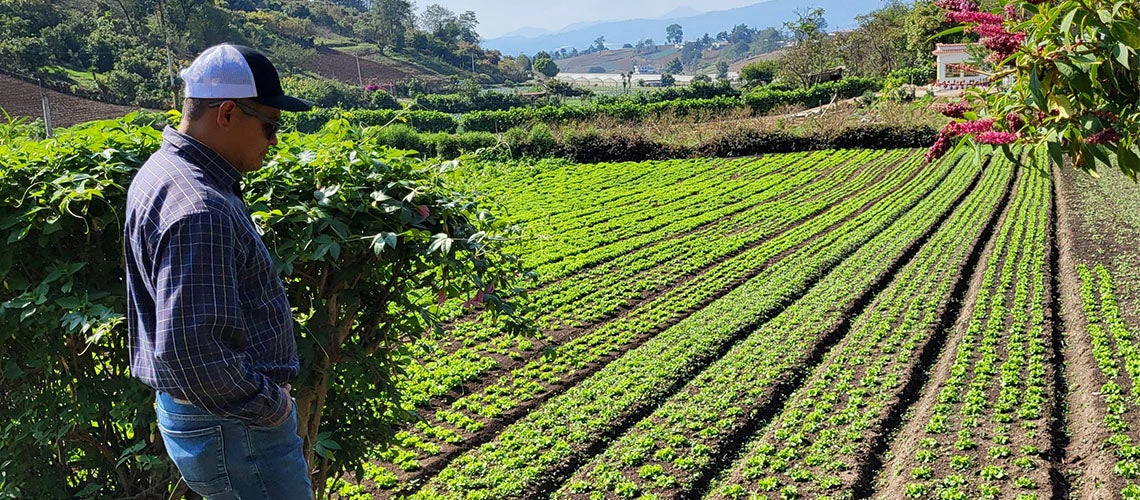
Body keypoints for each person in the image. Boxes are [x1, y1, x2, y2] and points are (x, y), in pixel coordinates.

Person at [123, 43, 314, 499]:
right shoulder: (199, 206)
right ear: (227, 113)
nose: (273, 140)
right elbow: (193, 353)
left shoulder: (166, 173)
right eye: (269, 125)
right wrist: (272, 406)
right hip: (236, 427)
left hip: (214, 422)